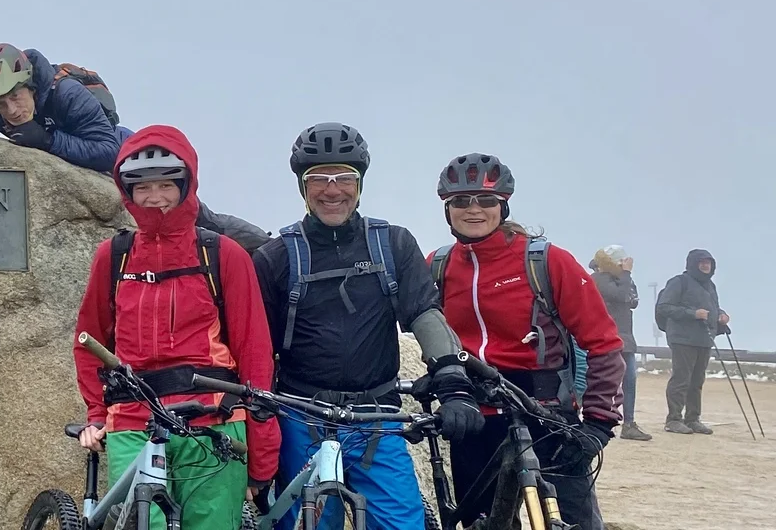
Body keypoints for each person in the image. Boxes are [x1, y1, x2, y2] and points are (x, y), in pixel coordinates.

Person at [249, 123, 481, 530]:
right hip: (302, 418)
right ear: (302, 186)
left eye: (344, 177)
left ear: (360, 183)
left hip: (377, 418)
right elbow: (257, 345)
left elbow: (424, 313)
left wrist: (453, 381)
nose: (332, 190)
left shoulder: (393, 244)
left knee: (402, 525)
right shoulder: (275, 257)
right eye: (318, 179)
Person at [70, 125, 278, 530]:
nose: (155, 197)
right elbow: (88, 341)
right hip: (133, 420)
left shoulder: (224, 255)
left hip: (214, 420)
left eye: (166, 185)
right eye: (142, 187)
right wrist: (97, 413)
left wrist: (262, 452)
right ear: (127, 191)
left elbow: (255, 354)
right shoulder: (113, 256)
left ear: (186, 185)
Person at [430, 153, 624, 530]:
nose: (474, 209)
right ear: (447, 209)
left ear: (503, 206)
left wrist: (598, 425)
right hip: (473, 420)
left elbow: (604, 344)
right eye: (461, 201)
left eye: (486, 200)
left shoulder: (547, 262)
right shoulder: (438, 266)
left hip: (546, 416)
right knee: (481, 525)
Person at [0, 43, 270, 251]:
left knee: (199, 218)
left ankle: (264, 246)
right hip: (88, 157)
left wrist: (49, 141)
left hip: (126, 149)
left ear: (31, 87)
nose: (11, 110)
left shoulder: (67, 94)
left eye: (16, 98)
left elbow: (108, 151)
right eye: (1, 104)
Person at [656, 249, 727, 435]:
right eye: (701, 262)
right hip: (682, 339)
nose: (705, 266)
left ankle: (693, 419)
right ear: (692, 264)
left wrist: (720, 315)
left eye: (708, 263)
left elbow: (713, 307)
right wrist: (693, 314)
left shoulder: (710, 285)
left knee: (697, 381)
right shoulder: (679, 281)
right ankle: (673, 419)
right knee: (681, 379)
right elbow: (664, 307)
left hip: (704, 339)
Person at [590, 245, 649, 441]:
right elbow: (621, 296)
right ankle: (600, 420)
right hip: (607, 338)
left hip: (625, 338)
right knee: (606, 382)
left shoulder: (621, 279)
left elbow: (633, 300)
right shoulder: (597, 279)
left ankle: (629, 423)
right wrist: (626, 274)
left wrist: (625, 278)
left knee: (629, 380)